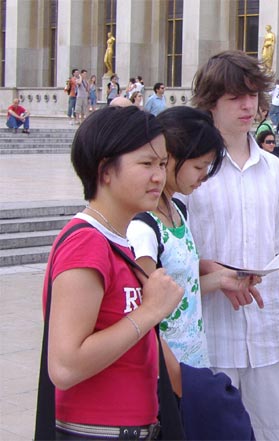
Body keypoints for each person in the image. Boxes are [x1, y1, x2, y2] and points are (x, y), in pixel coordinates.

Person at [187, 50, 279, 441]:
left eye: (253, 95)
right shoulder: (191, 170)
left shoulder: (273, 169)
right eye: (235, 97)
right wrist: (212, 271)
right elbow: (171, 251)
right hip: (211, 337)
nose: (247, 106)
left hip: (268, 332)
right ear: (211, 102)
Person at [42, 105, 184, 439]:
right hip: (98, 431)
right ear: (105, 170)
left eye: (162, 164)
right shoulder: (87, 244)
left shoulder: (115, 239)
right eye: (146, 164)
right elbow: (64, 366)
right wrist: (149, 311)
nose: (158, 176)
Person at [127, 106, 261, 370]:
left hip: (194, 359)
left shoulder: (178, 210)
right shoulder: (143, 228)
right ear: (169, 158)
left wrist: (222, 279)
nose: (204, 176)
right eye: (199, 166)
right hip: (165, 369)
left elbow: (182, 288)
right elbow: (144, 309)